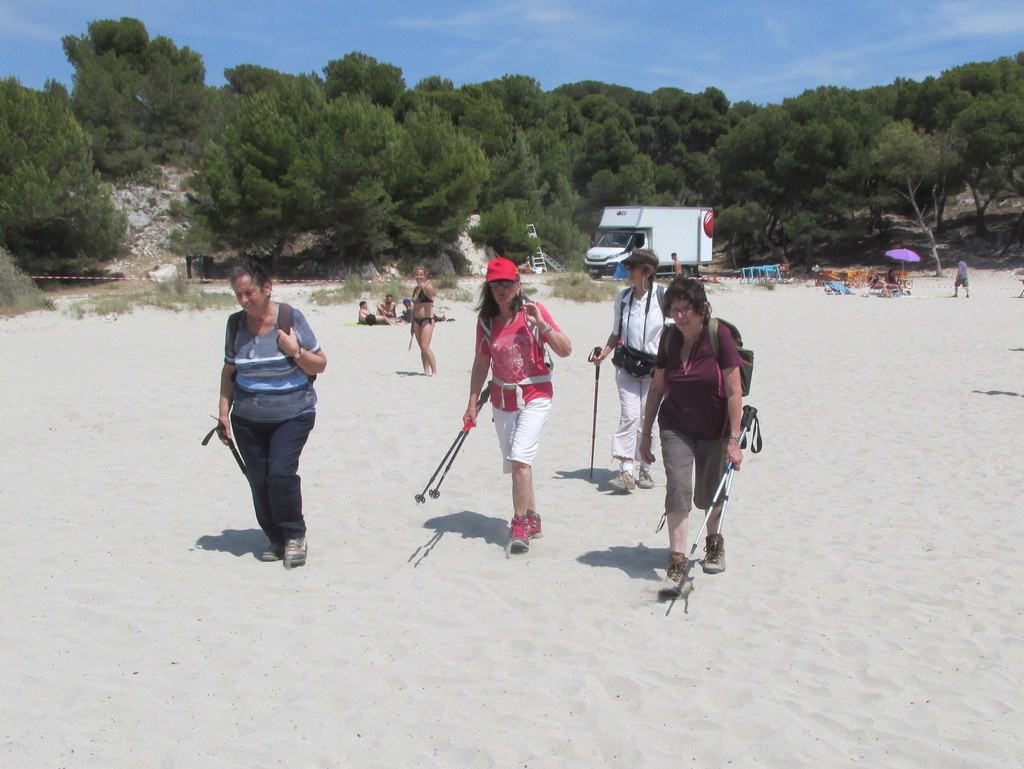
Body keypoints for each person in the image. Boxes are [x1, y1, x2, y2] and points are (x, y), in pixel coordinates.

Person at [217, 259, 327, 568]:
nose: (243, 300)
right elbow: (229, 371)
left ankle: (294, 534)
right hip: (247, 418)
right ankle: (275, 538)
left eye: (248, 292)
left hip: (294, 413)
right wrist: (224, 413)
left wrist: (293, 350)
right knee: (259, 479)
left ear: (267, 287)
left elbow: (321, 364)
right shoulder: (235, 325)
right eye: (238, 294)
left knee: (280, 473)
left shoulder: (290, 318)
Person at [639, 277, 743, 591]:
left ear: (701, 309)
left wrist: (734, 441)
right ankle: (677, 561)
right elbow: (657, 387)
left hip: (715, 429)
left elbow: (735, 392)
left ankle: (713, 543)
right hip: (675, 426)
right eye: (675, 309)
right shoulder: (669, 338)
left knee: (708, 496)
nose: (680, 316)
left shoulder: (718, 335)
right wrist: (646, 434)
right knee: (678, 487)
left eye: (686, 309)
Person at [464, 257, 572, 555]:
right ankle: (533, 517)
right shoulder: (486, 322)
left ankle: (520, 524)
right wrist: (472, 403)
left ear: (518, 285)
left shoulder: (533, 312)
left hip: (536, 395)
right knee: (517, 463)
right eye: (495, 284)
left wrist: (544, 325)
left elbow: (566, 350)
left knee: (520, 457)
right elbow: (481, 362)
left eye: (507, 283)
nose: (501, 289)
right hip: (502, 400)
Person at [591, 249, 666, 492]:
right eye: (629, 266)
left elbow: (673, 333)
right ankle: (626, 471)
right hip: (627, 366)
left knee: (648, 418)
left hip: (655, 368)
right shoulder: (623, 299)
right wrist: (604, 353)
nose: (629, 271)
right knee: (630, 415)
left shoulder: (663, 297)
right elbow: (616, 332)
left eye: (633, 267)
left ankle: (645, 468)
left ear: (648, 271)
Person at [410, 265, 438, 375]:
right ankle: (426, 371)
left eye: (421, 274)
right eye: (417, 275)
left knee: (425, 346)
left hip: (427, 319)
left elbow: (433, 295)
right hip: (416, 320)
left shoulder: (428, 286)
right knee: (422, 348)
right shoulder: (416, 289)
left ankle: (434, 371)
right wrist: (412, 324)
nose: (419, 277)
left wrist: (424, 287)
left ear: (425, 276)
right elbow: (415, 307)